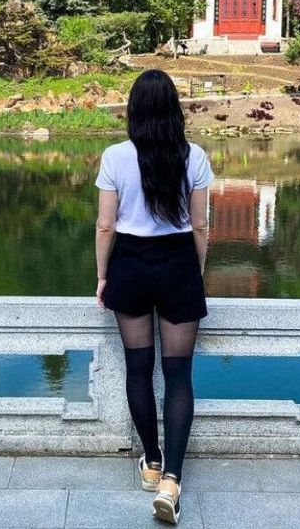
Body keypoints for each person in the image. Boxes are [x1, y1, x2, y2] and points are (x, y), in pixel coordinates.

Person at [94, 69, 214, 524]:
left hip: (130, 263)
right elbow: (201, 225)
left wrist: (104, 276)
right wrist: (195, 270)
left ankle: (152, 461)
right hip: (178, 261)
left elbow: (105, 225)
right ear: (173, 109)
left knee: (139, 368)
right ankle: (172, 481)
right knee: (179, 376)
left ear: (134, 109)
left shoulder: (114, 156)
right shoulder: (194, 156)